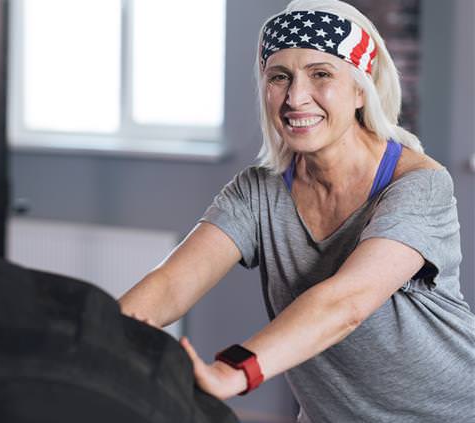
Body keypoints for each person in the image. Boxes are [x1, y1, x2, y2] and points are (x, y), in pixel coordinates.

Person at [118, 0, 475, 421]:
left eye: (320, 74)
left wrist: (235, 372)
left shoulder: (418, 184)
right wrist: (89, 335)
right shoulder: (258, 191)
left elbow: (346, 304)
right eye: (279, 77)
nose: (295, 97)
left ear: (362, 89)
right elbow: (172, 283)